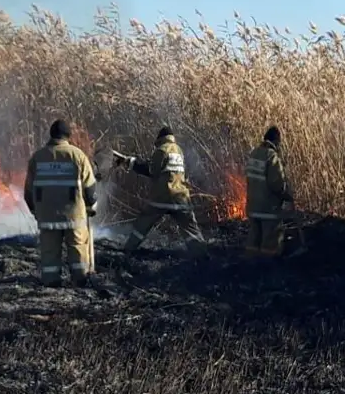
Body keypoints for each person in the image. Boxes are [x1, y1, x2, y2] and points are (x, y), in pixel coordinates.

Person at [24, 119, 98, 287]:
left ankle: (51, 282)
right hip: (74, 215)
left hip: (47, 215)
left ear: (51, 135)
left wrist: (36, 211)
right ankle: (80, 280)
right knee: (78, 247)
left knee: (49, 252)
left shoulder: (37, 157)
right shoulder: (77, 156)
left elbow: (28, 191)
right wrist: (91, 206)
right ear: (68, 136)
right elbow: (90, 187)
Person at [113, 126, 207, 256]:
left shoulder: (161, 150)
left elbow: (152, 170)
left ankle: (128, 250)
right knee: (190, 227)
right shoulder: (178, 150)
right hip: (180, 196)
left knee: (144, 223)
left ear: (160, 138)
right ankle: (201, 253)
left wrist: (131, 163)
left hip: (162, 197)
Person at [244, 126, 294, 257]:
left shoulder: (253, 154)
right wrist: (286, 195)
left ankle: (250, 267)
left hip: (253, 207)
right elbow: (276, 183)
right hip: (268, 209)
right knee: (271, 242)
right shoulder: (271, 156)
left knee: (253, 240)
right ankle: (268, 267)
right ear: (276, 140)